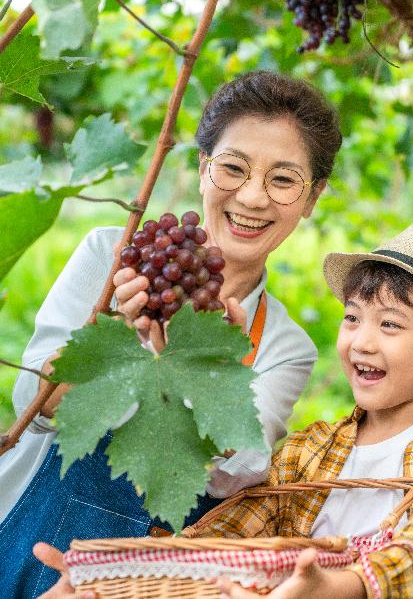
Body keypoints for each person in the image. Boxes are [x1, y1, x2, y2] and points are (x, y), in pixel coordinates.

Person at [0, 71, 342, 597]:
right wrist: (115, 331)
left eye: (283, 179)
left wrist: (201, 369)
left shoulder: (283, 346)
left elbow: (236, 470)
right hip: (27, 556)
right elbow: (33, 399)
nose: (252, 197)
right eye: (233, 168)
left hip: (151, 585)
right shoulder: (110, 258)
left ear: (313, 196)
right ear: (204, 168)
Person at [190, 220, 413, 598]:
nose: (362, 342)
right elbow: (234, 532)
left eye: (389, 324)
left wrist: (340, 586)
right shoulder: (306, 452)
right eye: (352, 318)